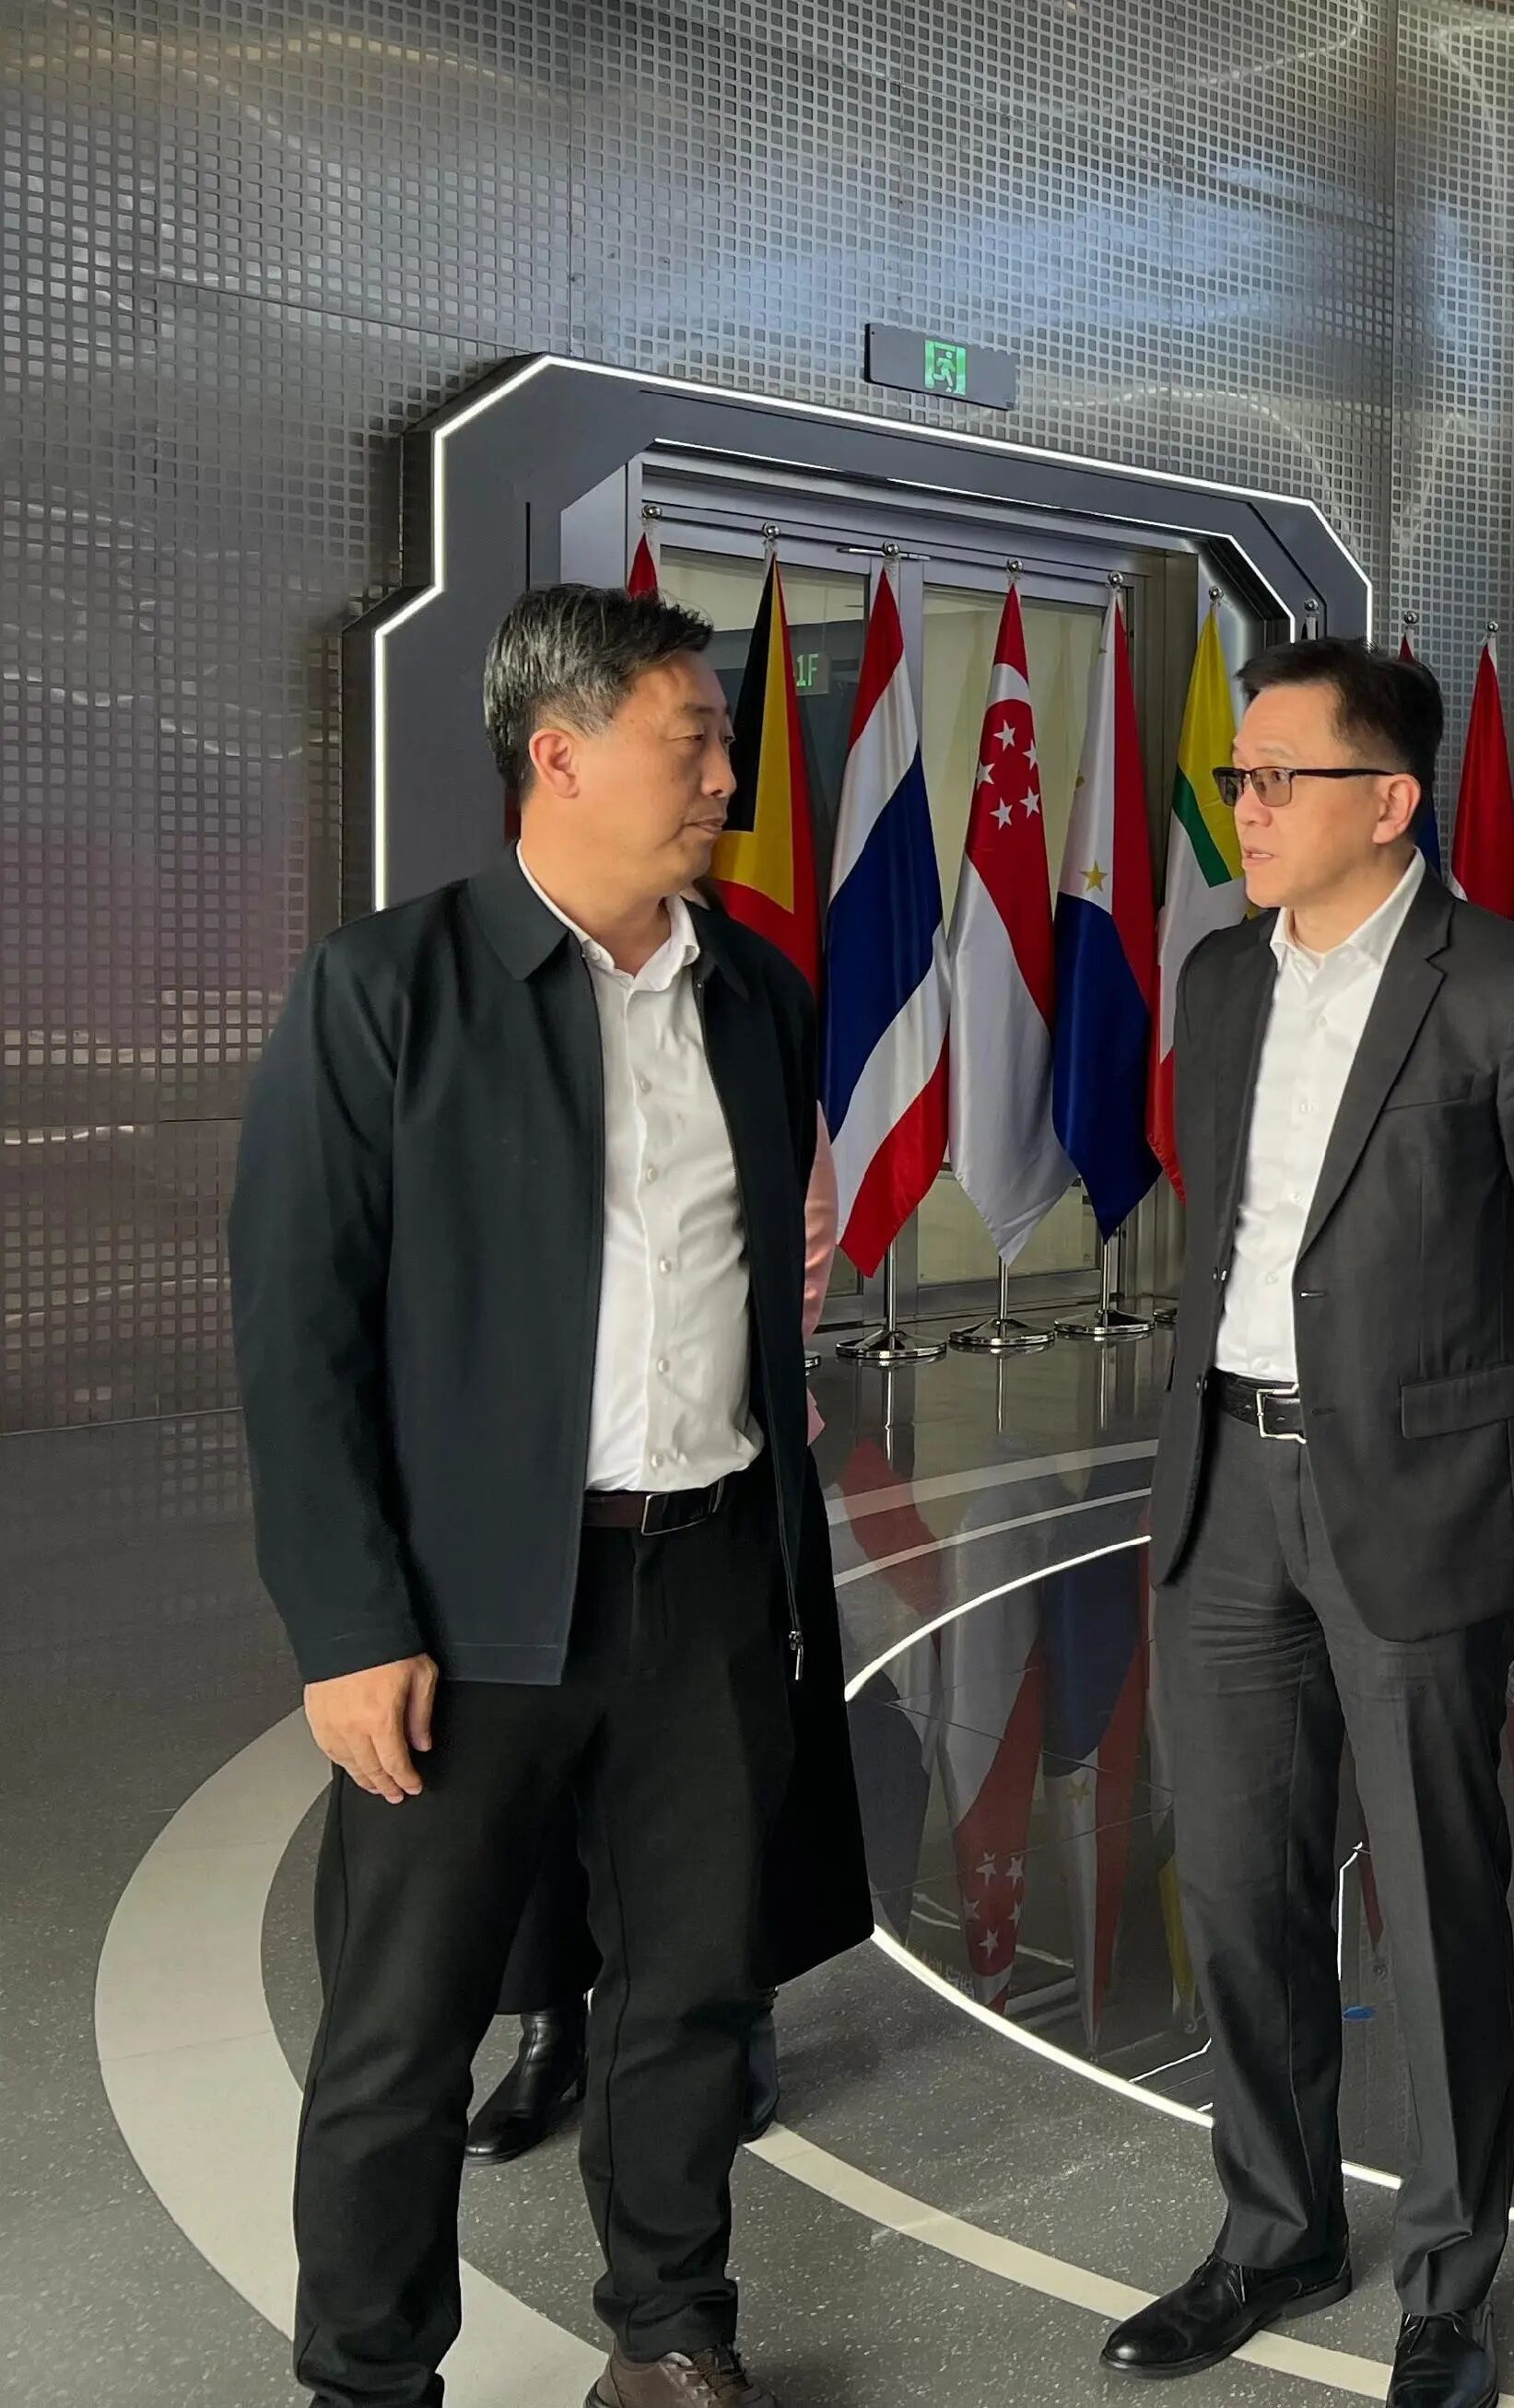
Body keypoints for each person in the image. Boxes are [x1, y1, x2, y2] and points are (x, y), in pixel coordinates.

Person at [232, 584, 868, 2408]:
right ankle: (370, 2380)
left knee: (692, 1996)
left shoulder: (756, 994)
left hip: (710, 1579)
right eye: (695, 745)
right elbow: (297, 1337)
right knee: (401, 2032)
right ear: (559, 755)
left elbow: (765, 1267)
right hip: (467, 1612)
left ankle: (669, 2338)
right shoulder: (386, 992)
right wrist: (348, 1627)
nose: (727, 783)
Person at [1104, 637, 1514, 2408]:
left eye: (1280, 777)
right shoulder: (1216, 981)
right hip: (1221, 1497)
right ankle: (1274, 2232)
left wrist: (1459, 1443)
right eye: (1238, 777)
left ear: (1390, 801)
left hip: (1411, 1505)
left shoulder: (1511, 994)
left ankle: (1450, 2287)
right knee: (1239, 1888)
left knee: (1435, 1904)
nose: (1243, 806)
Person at [473, 1133, 836, 2167]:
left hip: (724, 1479)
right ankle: (551, 2031)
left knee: (727, 1782)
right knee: (538, 1794)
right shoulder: (501, 1054)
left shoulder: (743, 1039)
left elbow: (803, 1218)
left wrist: (718, 1368)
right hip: (525, 1495)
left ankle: (735, 2017)